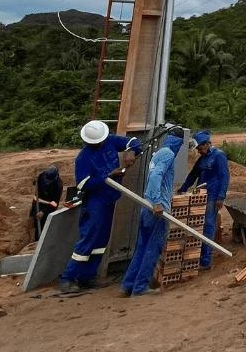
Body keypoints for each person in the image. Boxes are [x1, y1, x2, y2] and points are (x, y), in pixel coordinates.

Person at [58, 120, 141, 294]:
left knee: (101, 241)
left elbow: (133, 142)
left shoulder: (110, 141)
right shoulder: (84, 158)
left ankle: (88, 276)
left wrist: (131, 151)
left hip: (110, 198)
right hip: (96, 202)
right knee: (89, 238)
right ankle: (67, 278)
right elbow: (82, 184)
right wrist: (107, 176)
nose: (101, 144)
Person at [120, 130, 184, 297]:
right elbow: (157, 175)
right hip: (157, 210)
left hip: (146, 206)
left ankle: (128, 285)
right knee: (152, 248)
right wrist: (157, 202)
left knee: (141, 247)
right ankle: (140, 288)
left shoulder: (158, 153)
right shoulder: (168, 154)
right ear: (178, 143)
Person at [178, 130, 229, 271]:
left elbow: (225, 177)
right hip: (201, 195)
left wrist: (221, 197)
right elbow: (192, 175)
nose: (199, 152)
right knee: (198, 224)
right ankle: (198, 254)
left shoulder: (219, 156)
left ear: (207, 144)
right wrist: (183, 189)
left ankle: (206, 259)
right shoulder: (202, 160)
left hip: (213, 196)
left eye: (200, 148)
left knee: (208, 225)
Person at [29, 164, 63, 239]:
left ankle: (41, 239)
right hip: (39, 200)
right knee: (36, 219)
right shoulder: (42, 176)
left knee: (43, 223)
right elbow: (36, 195)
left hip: (49, 205)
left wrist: (43, 212)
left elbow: (54, 204)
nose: (47, 183)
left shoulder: (58, 186)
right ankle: (36, 236)